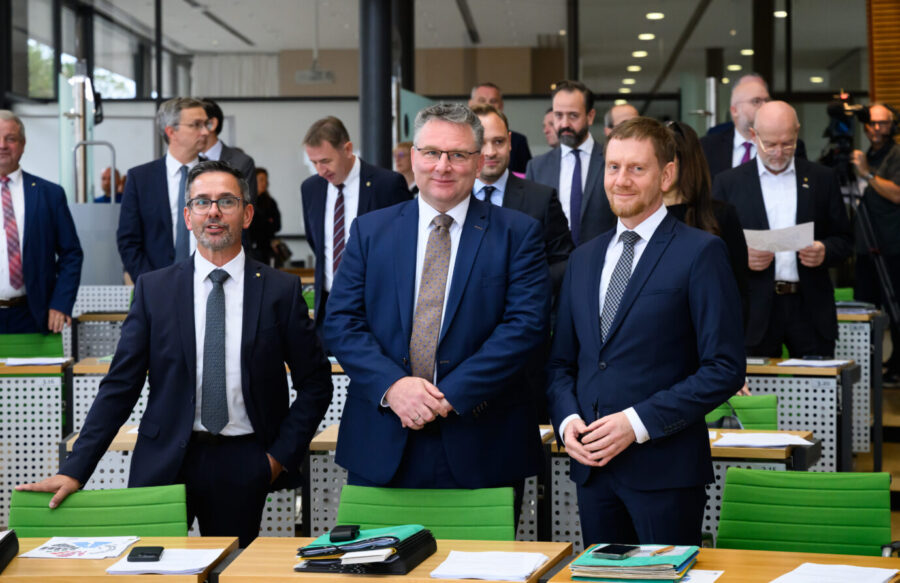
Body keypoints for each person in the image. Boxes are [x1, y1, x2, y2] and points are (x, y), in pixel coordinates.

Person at [18, 160, 333, 547]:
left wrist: (276, 459)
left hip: (245, 462)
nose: (213, 211)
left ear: (247, 214)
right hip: (165, 462)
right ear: (188, 216)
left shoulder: (280, 291)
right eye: (202, 202)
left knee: (230, 574)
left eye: (226, 201)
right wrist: (76, 469)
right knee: (152, 571)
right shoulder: (156, 289)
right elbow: (120, 387)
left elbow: (316, 383)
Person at [323, 104, 549, 511]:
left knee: (481, 573)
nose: (443, 166)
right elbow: (341, 323)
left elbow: (526, 327)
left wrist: (447, 395)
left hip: (482, 438)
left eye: (458, 155)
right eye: (431, 153)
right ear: (414, 158)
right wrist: (394, 388)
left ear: (479, 162)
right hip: (383, 439)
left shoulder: (519, 233)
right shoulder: (370, 231)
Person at [546, 116, 745, 547]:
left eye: (637, 168)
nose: (622, 180)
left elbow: (725, 368)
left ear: (667, 174)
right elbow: (562, 362)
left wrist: (636, 424)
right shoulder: (583, 258)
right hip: (592, 472)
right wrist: (567, 422)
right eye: (614, 167)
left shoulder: (701, 252)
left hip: (665, 472)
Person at [713, 101, 852, 357]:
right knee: (755, 391)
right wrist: (741, 257)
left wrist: (824, 250)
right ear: (754, 136)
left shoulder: (823, 179)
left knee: (817, 393)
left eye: (787, 143)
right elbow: (711, 247)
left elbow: (845, 240)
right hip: (753, 312)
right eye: (771, 144)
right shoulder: (727, 184)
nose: (779, 152)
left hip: (810, 309)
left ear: (797, 132)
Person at [301, 116, 410, 347]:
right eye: (314, 163)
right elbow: (317, 242)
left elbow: (405, 246)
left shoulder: (387, 184)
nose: (320, 171)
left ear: (348, 149)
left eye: (325, 161)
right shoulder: (311, 189)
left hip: (378, 309)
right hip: (329, 310)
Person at [0, 110, 83, 334]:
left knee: (37, 371)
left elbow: (71, 254)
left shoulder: (49, 194)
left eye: (10, 138)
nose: (2, 145)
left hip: (34, 316)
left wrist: (60, 302)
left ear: (23, 144)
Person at [117, 97, 212, 282]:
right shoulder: (140, 179)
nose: (205, 131)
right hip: (158, 285)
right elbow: (128, 241)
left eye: (206, 124)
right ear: (171, 131)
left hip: (211, 284)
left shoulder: (218, 176)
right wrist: (151, 282)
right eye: (197, 125)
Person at [664, 120, 748, 308]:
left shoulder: (721, 215)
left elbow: (739, 289)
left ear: (685, 160)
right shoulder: (643, 217)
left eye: (667, 158)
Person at [526, 80, 616, 246]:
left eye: (573, 115)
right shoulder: (537, 167)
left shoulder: (612, 161)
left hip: (602, 261)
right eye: (558, 115)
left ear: (590, 116)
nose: (565, 124)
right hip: (552, 266)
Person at [851, 103, 900, 382]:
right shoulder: (868, 154)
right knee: (866, 307)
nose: (877, 128)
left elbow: (896, 194)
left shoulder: (896, 154)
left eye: (883, 122)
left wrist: (867, 173)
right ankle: (870, 366)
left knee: (895, 307)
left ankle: (897, 366)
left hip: (892, 244)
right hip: (866, 246)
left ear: (893, 125)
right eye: (872, 123)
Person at [700, 74, 807, 179]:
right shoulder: (707, 146)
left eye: (767, 100)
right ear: (734, 110)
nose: (765, 105)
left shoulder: (789, 147)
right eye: (756, 101)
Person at [200, 98, 258, 204]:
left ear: (211, 124)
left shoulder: (242, 163)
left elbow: (246, 208)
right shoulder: (185, 163)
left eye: (195, 123)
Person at [468, 82, 532, 174]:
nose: (488, 105)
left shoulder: (518, 141)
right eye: (482, 100)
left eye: (493, 101)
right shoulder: (457, 140)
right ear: (470, 104)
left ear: (501, 105)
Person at [247, 167, 282, 266]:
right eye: (261, 180)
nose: (264, 183)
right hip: (250, 248)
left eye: (266, 180)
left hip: (266, 249)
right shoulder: (246, 201)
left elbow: (277, 225)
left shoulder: (270, 202)